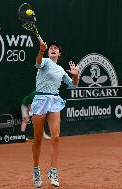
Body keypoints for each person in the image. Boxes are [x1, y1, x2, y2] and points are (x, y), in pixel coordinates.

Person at [30, 40, 79, 188]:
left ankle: (53, 171)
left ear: (59, 53)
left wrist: (76, 75)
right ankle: (36, 169)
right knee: (38, 139)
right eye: (51, 48)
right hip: (40, 99)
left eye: (55, 48)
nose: (52, 49)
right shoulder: (44, 61)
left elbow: (73, 85)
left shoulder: (61, 70)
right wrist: (41, 51)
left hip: (54, 100)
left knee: (55, 137)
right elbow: (38, 63)